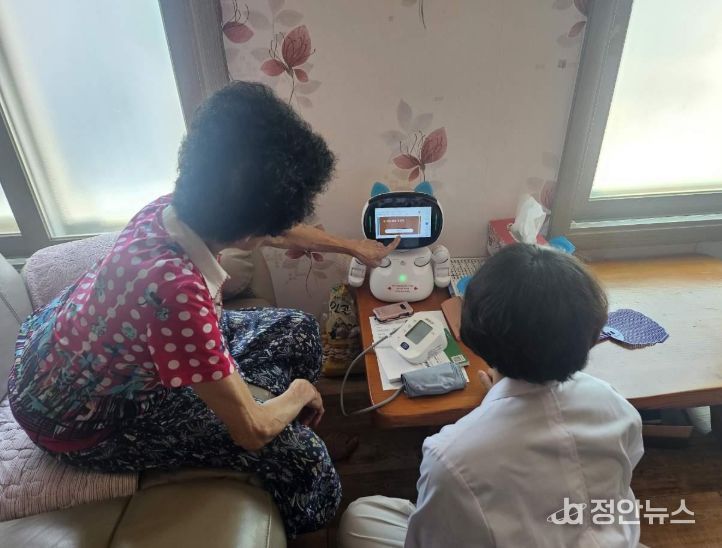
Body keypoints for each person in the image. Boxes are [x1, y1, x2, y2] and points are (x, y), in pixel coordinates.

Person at [8, 81, 398, 537]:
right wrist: (298, 393)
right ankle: (303, 516)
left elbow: (276, 230)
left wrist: (352, 247)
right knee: (302, 456)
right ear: (247, 233)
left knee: (299, 330)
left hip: (76, 355)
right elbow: (251, 430)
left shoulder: (175, 208)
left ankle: (277, 410)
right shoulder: (177, 294)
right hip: (79, 420)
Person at [339, 243, 644, 547]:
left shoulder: (451, 456)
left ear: (473, 330)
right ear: (590, 333)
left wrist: (493, 408)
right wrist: (497, 400)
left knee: (360, 516)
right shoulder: (615, 406)